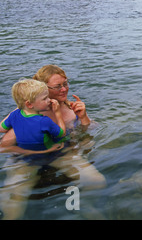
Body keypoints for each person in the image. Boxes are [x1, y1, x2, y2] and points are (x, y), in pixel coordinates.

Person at [0, 65, 105, 220]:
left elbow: (90, 131)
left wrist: (83, 117)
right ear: (44, 89)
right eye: (57, 87)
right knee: (14, 196)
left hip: (61, 153)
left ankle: (83, 205)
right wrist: (36, 153)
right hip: (25, 159)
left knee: (97, 181)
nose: (64, 90)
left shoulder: (71, 108)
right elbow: (4, 146)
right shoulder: (27, 116)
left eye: (65, 84)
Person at [0, 79, 66, 152]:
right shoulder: (44, 121)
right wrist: (58, 113)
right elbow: (62, 133)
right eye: (45, 98)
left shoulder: (14, 115)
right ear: (29, 104)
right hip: (47, 155)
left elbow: (2, 129)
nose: (49, 100)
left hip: (24, 155)